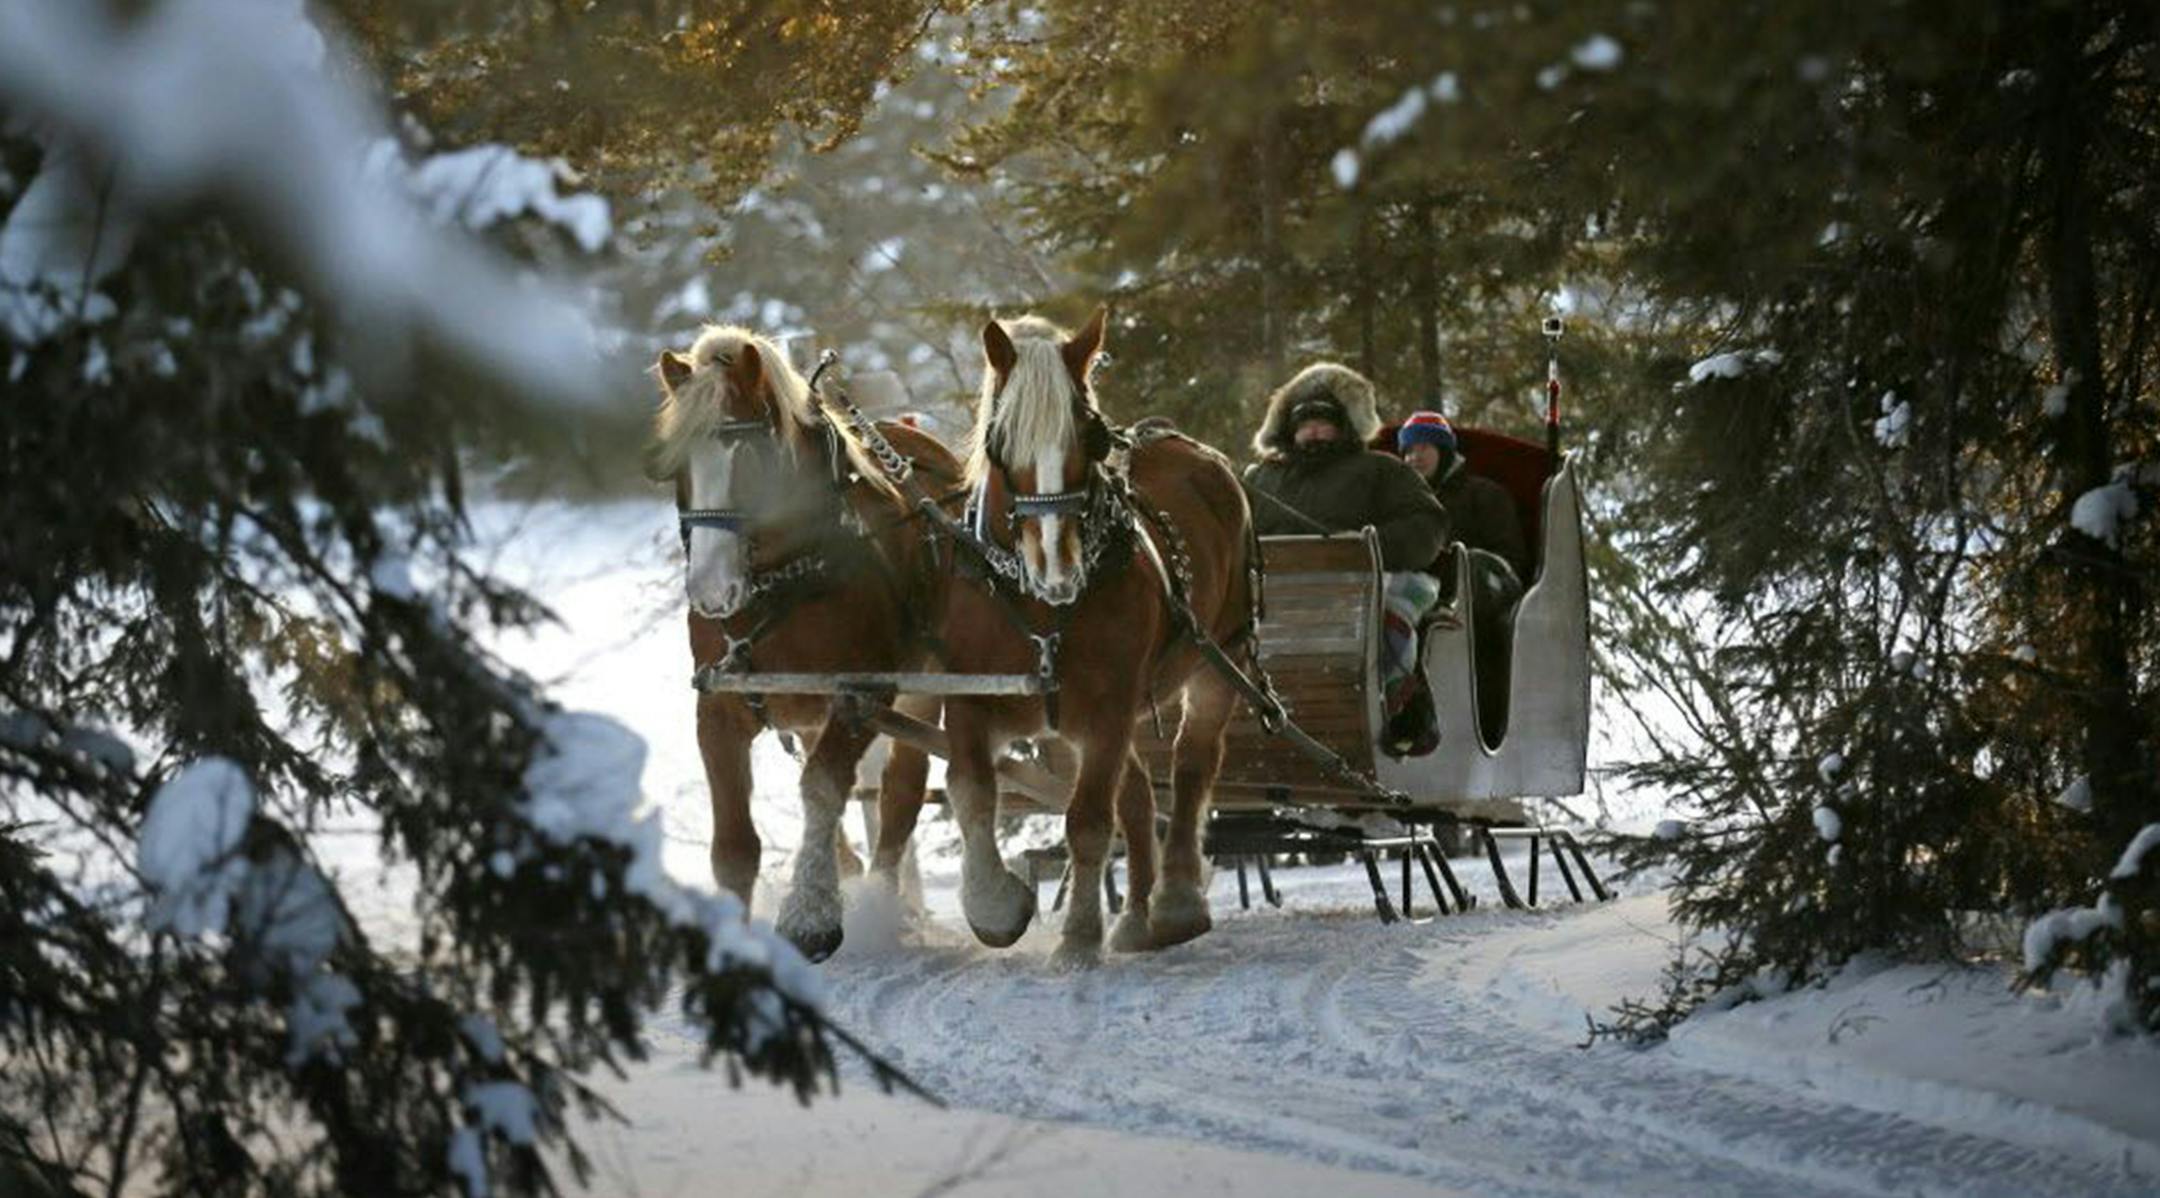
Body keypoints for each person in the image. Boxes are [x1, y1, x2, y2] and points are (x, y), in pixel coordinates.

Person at [1244, 364, 1447, 754]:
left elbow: (1428, 523)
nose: (1314, 432)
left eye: (1324, 423)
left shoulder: (1380, 470)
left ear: (1346, 425)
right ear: (1289, 429)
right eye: (1305, 425)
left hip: (1353, 596)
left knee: (1392, 622)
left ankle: (1401, 707)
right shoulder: (1260, 479)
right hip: (1269, 601)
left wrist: (1368, 550)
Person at [1396, 410, 1531, 741]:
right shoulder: (1399, 505)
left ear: (1443, 451)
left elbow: (1509, 559)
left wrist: (1462, 572)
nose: (1415, 457)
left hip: (1478, 596)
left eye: (1424, 448)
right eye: (1409, 451)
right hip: (1415, 595)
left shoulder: (1484, 495)